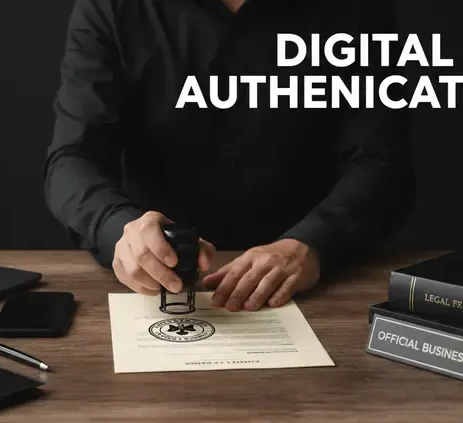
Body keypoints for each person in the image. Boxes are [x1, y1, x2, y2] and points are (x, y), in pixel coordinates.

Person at [44, 0, 416, 312]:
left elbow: (382, 163)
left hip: (309, 288)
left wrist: (312, 244)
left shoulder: (356, 9)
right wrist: (119, 229)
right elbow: (73, 158)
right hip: (159, 289)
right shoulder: (112, 6)